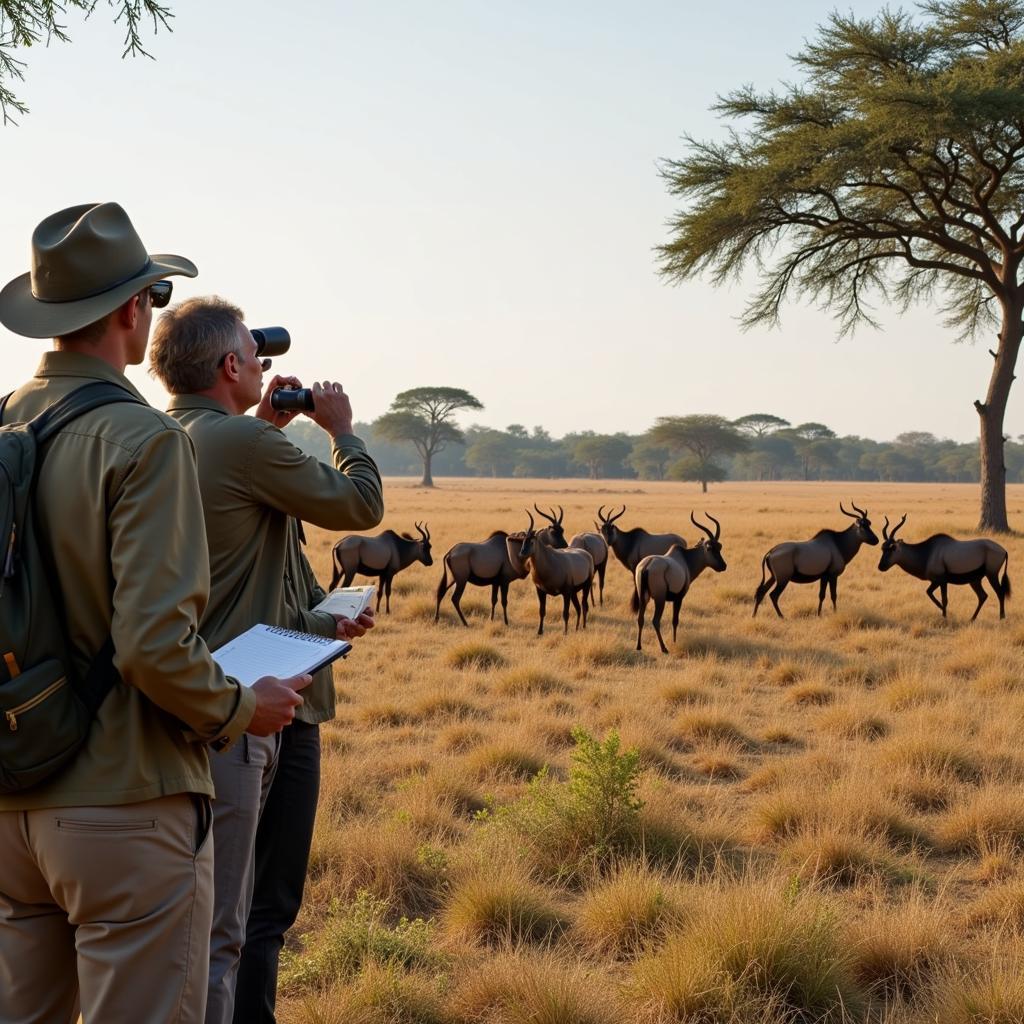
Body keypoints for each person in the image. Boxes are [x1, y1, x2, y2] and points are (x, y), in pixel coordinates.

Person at [0, 203, 311, 1024]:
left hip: (10, 796)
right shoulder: (143, 440)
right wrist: (245, 707)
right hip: (124, 805)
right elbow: (151, 648)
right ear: (132, 310)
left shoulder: (6, 423)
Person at [148, 296, 384, 1024]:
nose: (265, 364)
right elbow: (361, 505)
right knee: (251, 913)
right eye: (256, 355)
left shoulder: (162, 437)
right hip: (257, 707)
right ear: (228, 366)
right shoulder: (246, 448)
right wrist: (340, 431)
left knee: (211, 909)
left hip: (189, 695)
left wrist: (263, 425)